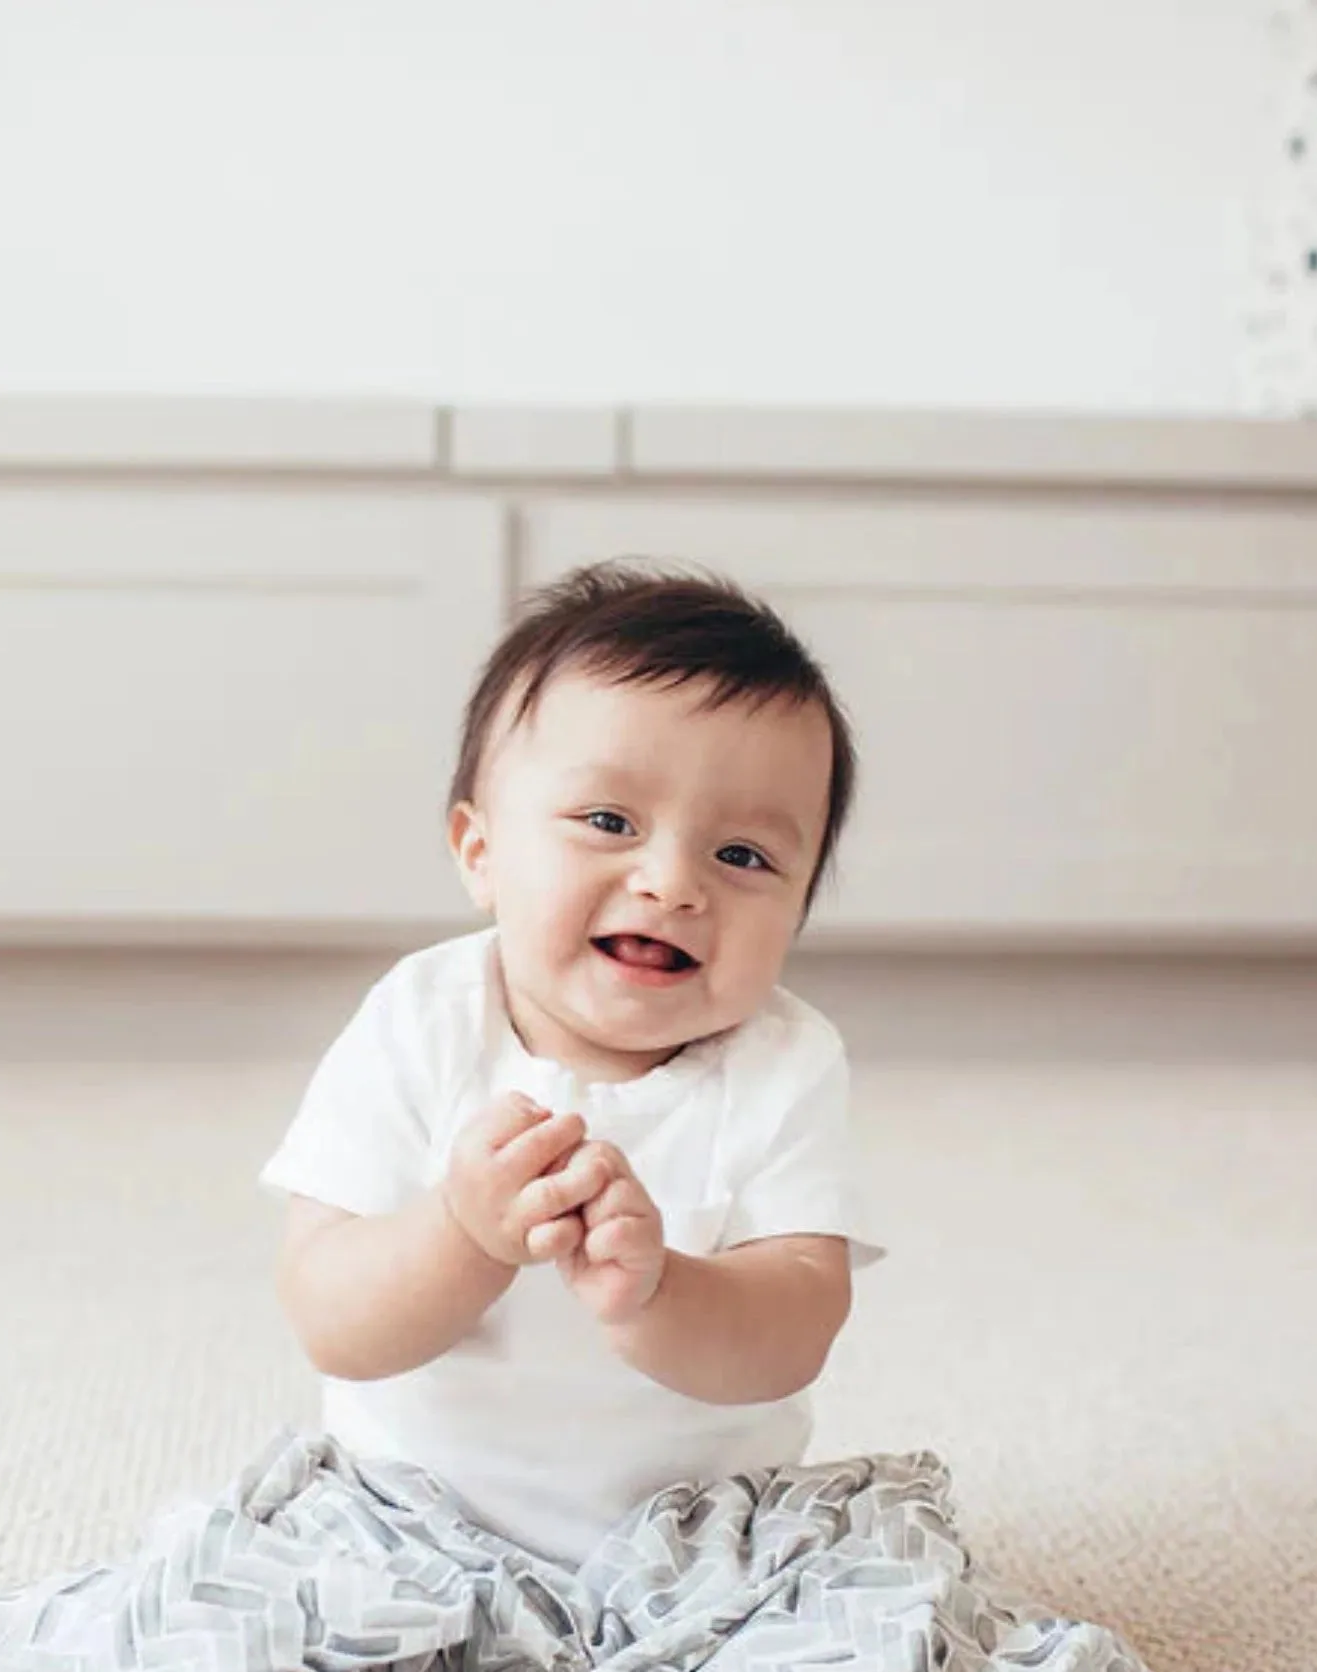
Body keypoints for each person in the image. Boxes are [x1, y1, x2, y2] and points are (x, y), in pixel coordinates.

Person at [259, 560, 884, 1565]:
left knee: (874, 1642)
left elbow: (796, 1326)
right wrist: (463, 1232)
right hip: (405, 1521)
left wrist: (659, 1290)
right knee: (257, 1633)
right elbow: (332, 1318)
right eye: (607, 822)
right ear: (480, 852)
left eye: (742, 856)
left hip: (698, 1542)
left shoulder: (783, 1062)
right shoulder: (420, 1021)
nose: (672, 881)